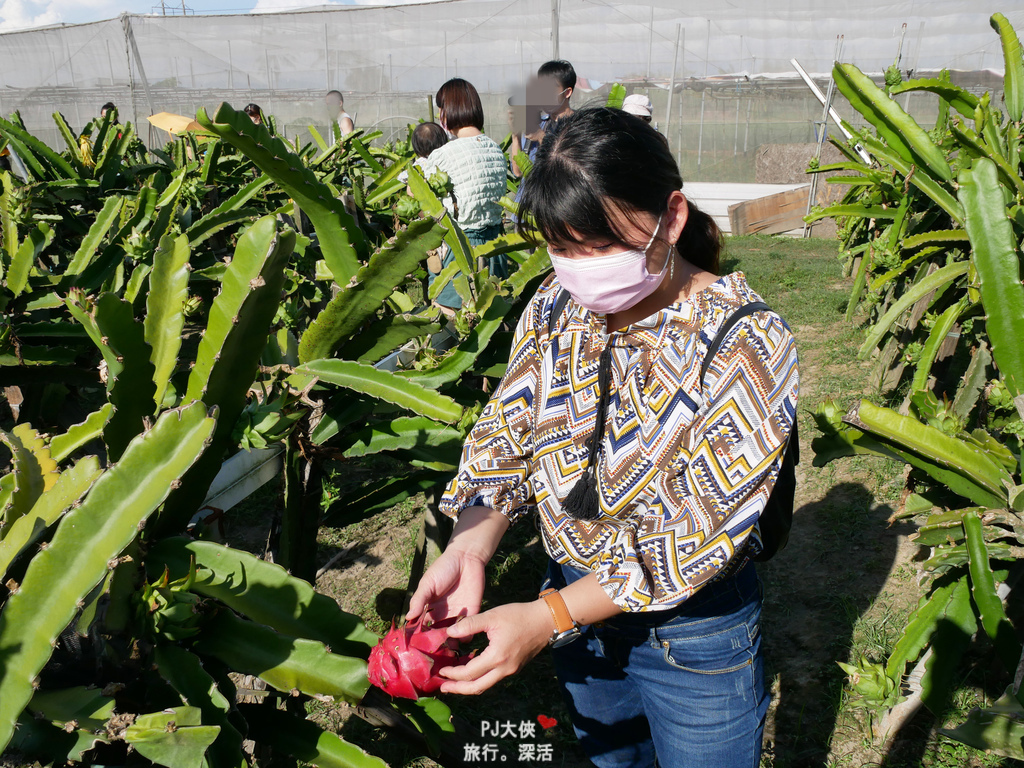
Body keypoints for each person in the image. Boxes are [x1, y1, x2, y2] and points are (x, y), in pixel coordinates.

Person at [407, 107, 799, 768]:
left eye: (603, 245)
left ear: (672, 217)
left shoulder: (748, 342)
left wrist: (547, 617)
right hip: (576, 614)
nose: (582, 270)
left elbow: (694, 534)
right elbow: (506, 437)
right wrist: (471, 549)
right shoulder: (555, 306)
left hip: (693, 637)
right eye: (563, 247)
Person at [420, 78, 508, 309]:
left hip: (460, 251)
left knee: (450, 322)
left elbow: (423, 195)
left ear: (448, 111)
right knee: (490, 320)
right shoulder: (496, 149)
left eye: (441, 108)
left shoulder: (443, 155)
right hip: (496, 248)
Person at [509, 60, 575, 178]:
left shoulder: (579, 126)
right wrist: (516, 135)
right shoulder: (539, 123)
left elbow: (569, 169)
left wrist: (541, 137)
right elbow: (518, 172)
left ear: (567, 92)